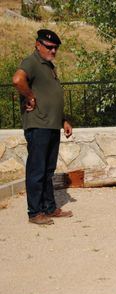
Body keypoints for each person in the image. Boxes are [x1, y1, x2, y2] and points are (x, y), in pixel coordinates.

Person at [12, 29, 73, 225]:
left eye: (55, 48)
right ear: (38, 45)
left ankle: (49, 208)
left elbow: (51, 95)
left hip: (51, 125)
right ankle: (34, 212)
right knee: (37, 170)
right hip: (38, 125)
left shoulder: (48, 66)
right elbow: (17, 79)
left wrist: (63, 120)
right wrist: (29, 96)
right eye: (49, 47)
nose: (53, 50)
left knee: (48, 170)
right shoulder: (32, 62)